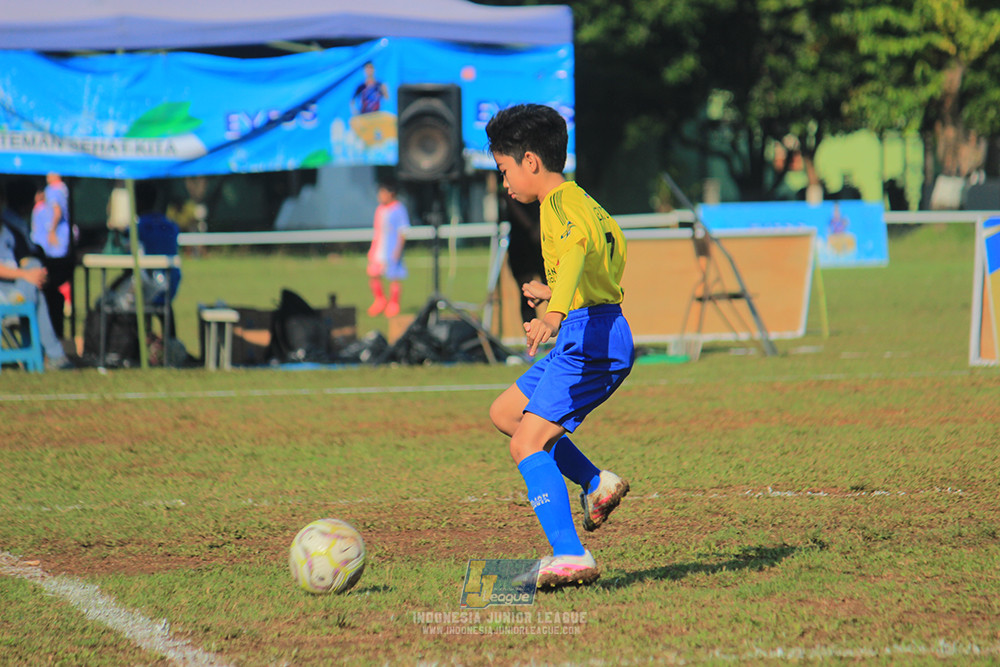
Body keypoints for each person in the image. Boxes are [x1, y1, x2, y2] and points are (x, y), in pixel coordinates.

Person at [484, 104, 634, 589]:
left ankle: (571, 554)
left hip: (588, 337)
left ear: (530, 161)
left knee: (527, 443)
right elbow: (607, 254)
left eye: (503, 169)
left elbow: (570, 255)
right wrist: (561, 297)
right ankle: (595, 483)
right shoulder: (583, 201)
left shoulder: (554, 209)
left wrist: (553, 312)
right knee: (507, 413)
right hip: (592, 324)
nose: (503, 183)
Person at [0, 185, 72, 370]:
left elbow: (20, 258)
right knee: (36, 287)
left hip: (16, 287)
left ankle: (22, 304)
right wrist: (26, 274)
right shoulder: (10, 223)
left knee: (35, 269)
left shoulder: (6, 229)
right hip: (5, 290)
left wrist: (33, 272)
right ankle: (55, 356)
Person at [135, 181, 182, 338]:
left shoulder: (138, 227)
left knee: (135, 297)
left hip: (152, 284)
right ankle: (171, 343)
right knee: (166, 308)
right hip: (171, 283)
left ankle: (141, 344)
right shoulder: (170, 225)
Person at [32, 173, 74, 340]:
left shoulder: (53, 190)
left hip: (52, 242)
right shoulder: (64, 189)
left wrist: (51, 231)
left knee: (51, 282)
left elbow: (56, 211)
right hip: (61, 241)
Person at [366, 180, 409, 318]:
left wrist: (398, 249)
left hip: (391, 248)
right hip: (379, 247)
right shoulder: (380, 209)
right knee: (373, 274)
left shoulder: (399, 209)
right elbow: (377, 230)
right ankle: (380, 300)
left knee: (393, 277)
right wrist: (372, 248)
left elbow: (403, 231)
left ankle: (394, 304)